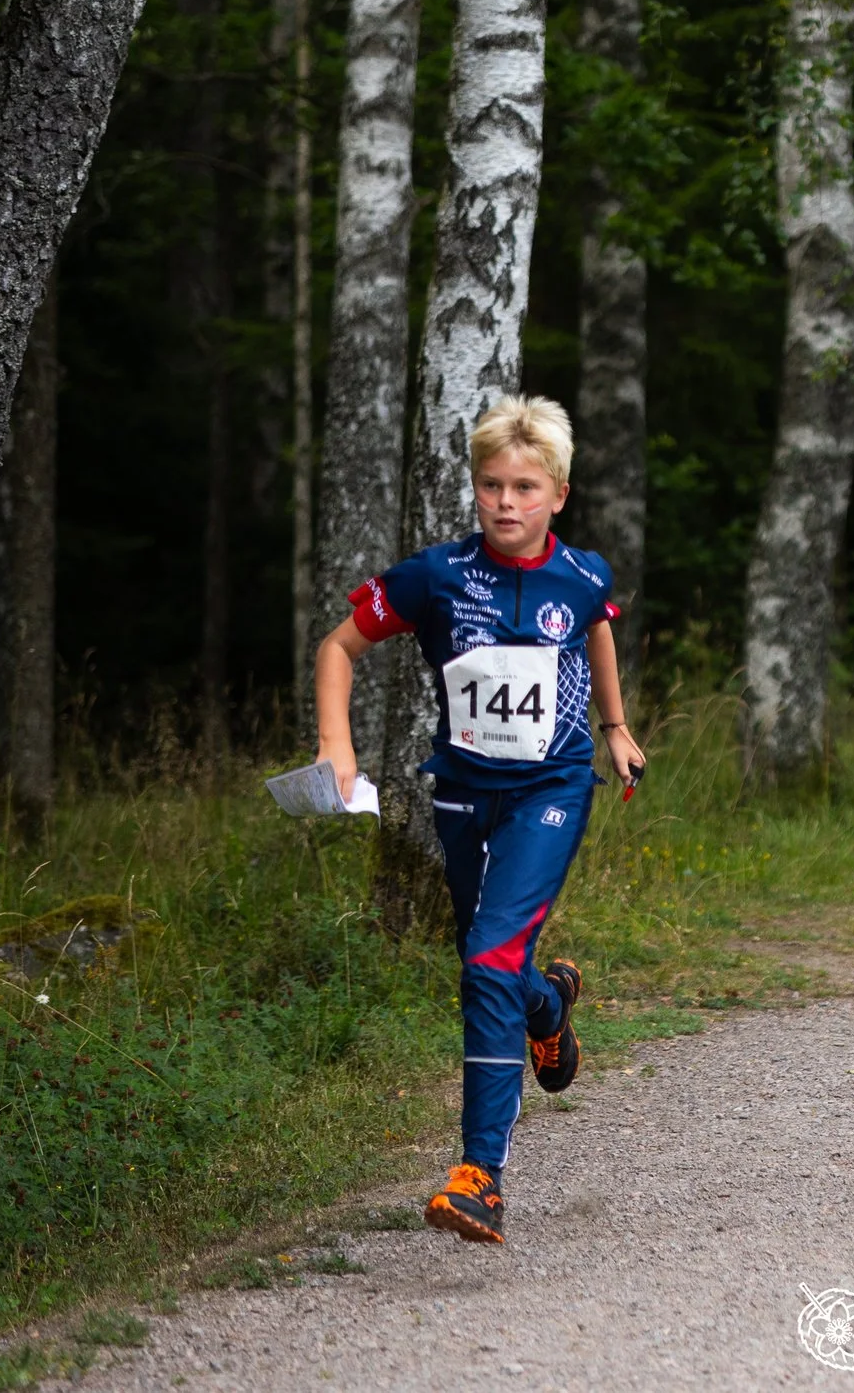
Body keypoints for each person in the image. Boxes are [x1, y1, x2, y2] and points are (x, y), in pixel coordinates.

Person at [311, 395, 646, 1244]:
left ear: (558, 494)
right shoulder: (436, 576)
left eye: (525, 487)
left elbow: (598, 631)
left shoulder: (584, 576)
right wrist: (336, 750)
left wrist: (614, 727)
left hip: (552, 788)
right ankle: (548, 1008)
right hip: (461, 793)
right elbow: (338, 648)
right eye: (491, 485)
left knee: (489, 959)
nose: (506, 503)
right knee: (488, 959)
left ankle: (479, 1179)